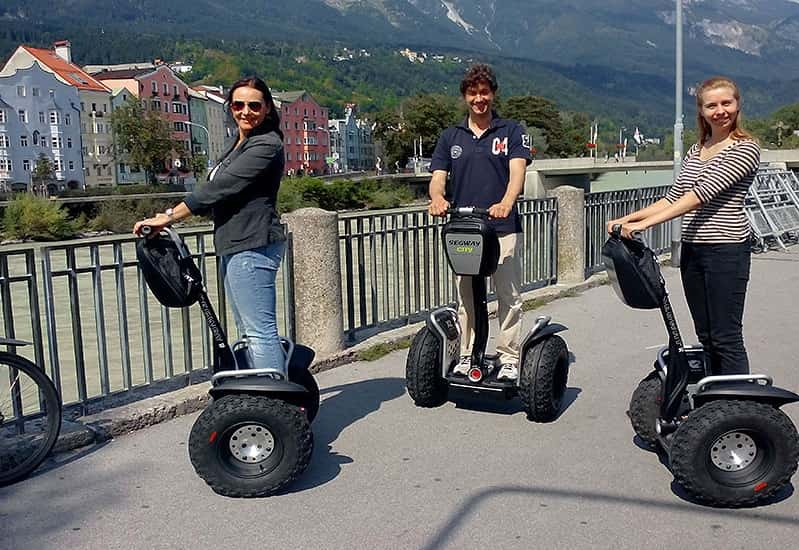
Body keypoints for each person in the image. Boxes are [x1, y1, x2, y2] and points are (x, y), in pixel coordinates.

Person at [134, 76, 288, 377]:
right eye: (238, 104)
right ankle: (266, 393)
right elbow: (217, 191)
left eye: (254, 105)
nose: (246, 111)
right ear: (231, 107)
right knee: (247, 330)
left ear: (267, 108)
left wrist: (168, 216)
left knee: (259, 331)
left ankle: (278, 404)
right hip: (235, 242)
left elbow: (219, 188)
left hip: (253, 243)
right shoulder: (239, 145)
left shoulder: (266, 145)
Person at [607, 76, 760, 375]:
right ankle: (714, 402)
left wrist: (647, 225)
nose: (720, 111)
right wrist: (629, 219)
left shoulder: (745, 148)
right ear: (702, 111)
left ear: (737, 105)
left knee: (726, 336)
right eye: (711, 105)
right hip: (693, 250)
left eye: (726, 103)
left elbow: (699, 196)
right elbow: (674, 197)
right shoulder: (697, 149)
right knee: (705, 336)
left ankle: (738, 407)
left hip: (726, 250)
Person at [428, 63, 531, 381]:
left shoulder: (512, 131)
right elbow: (437, 178)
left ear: (493, 94)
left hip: (501, 227)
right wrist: (437, 199)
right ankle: (467, 353)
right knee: (467, 296)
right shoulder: (451, 136)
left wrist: (506, 203)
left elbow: (517, 173)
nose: (479, 98)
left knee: (507, 294)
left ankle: (509, 356)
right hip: (465, 229)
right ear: (465, 96)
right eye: (472, 93)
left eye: (484, 92)